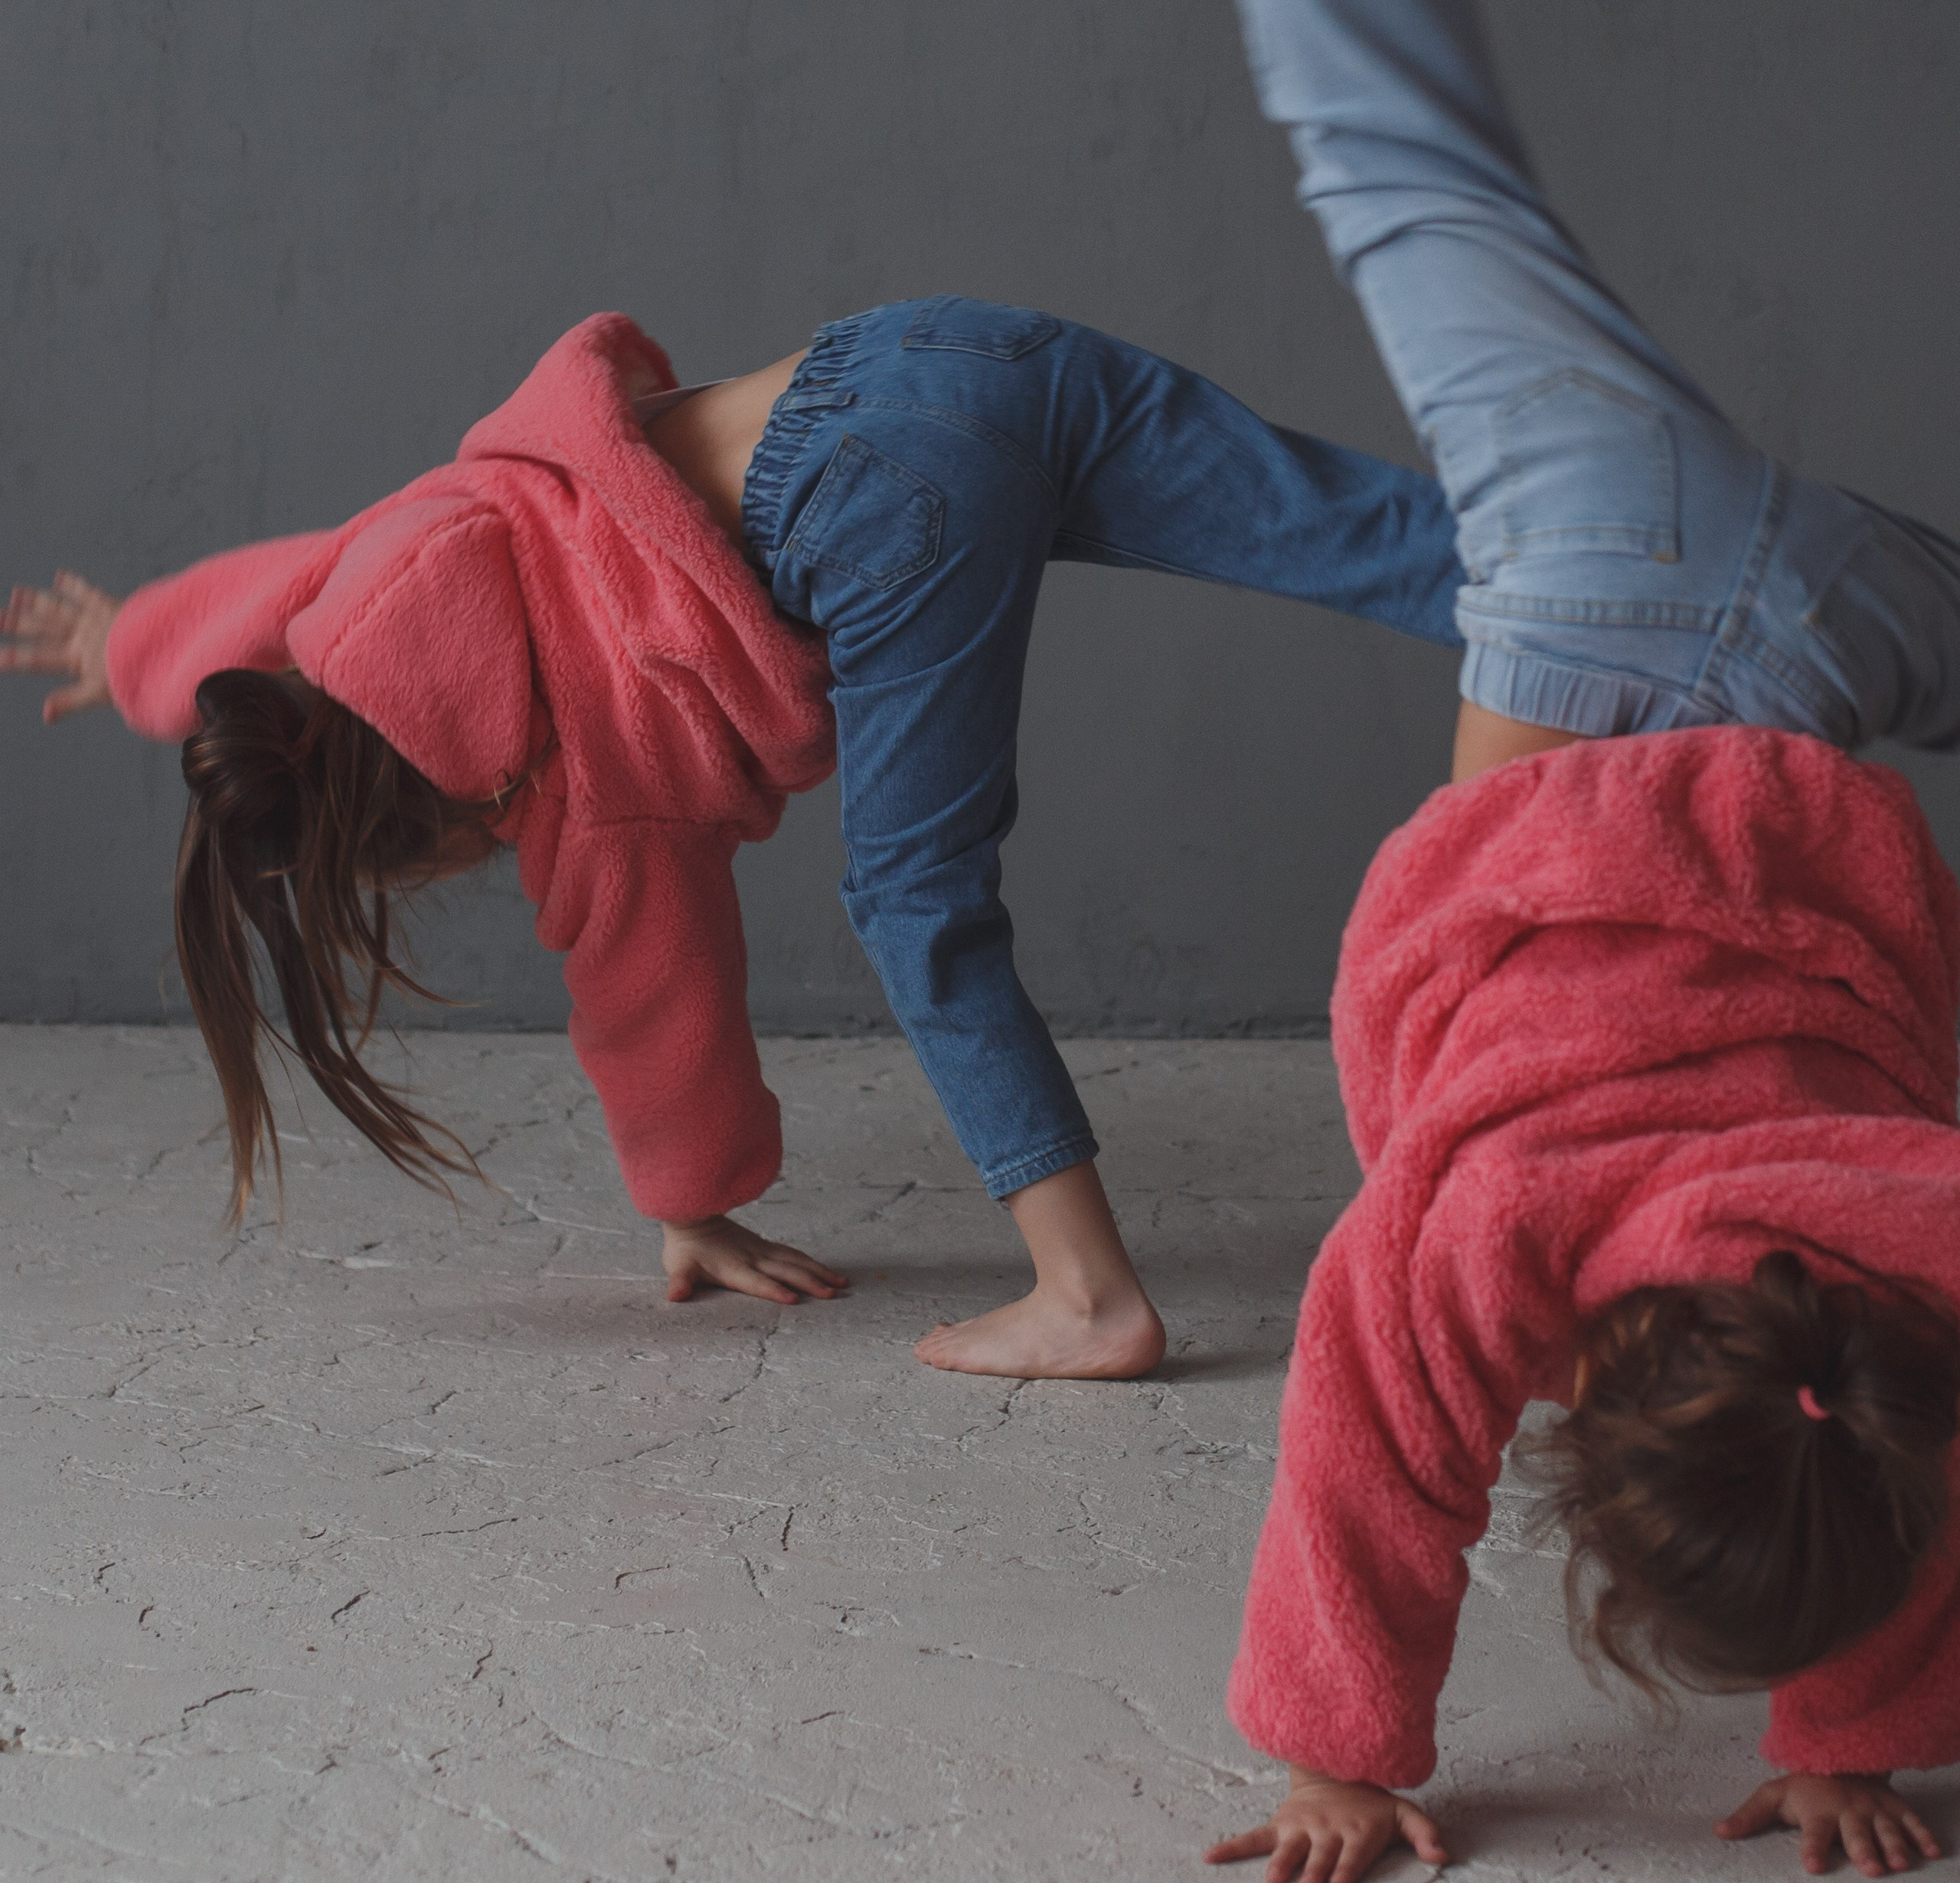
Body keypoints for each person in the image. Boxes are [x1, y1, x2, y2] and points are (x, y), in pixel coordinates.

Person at [1022, 0, 1960, 1882]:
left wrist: (1856, 1733)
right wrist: (1337, 1755)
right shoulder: (1481, 1240)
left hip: (1807, 654)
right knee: (1396, 155)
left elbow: (1907, 1469)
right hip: (1608, 583)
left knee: (1411, 166)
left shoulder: (1923, 1269)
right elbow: (1369, 1473)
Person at [2, 303, 1461, 1386]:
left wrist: (692, 1204)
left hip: (872, 498)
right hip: (938, 350)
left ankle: (1090, 1297)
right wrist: (137, 642)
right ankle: (1606, 611)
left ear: (423, 830)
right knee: (1375, 539)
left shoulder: (579, 785)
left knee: (917, 900)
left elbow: (655, 1000)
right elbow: (277, 599)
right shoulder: (404, 556)